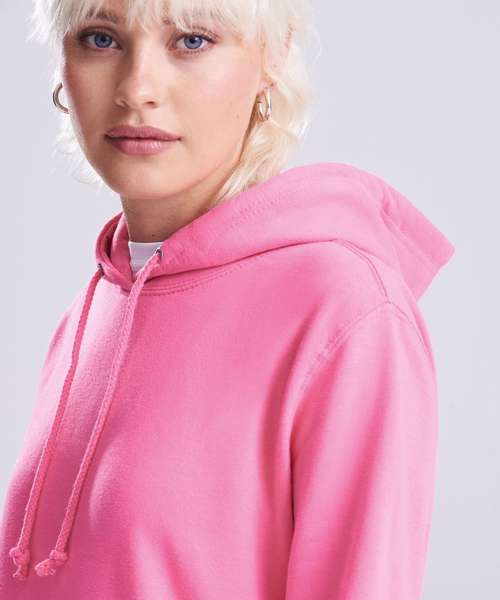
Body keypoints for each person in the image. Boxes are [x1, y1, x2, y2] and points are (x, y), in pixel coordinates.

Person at [0, 0, 456, 599]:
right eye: (100, 38)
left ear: (274, 56)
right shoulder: (91, 311)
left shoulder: (342, 309)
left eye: (192, 40)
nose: (137, 90)